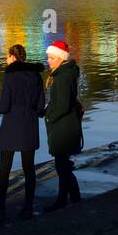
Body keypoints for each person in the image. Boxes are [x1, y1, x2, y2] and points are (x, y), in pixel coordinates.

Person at [0, 44, 46, 224]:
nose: (6, 60)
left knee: (4, 169)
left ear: (12, 57)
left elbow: (4, 106)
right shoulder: (36, 76)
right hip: (29, 125)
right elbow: (41, 107)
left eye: (7, 56)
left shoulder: (9, 77)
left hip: (10, 126)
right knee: (29, 169)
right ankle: (28, 208)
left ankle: (1, 209)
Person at [43, 40, 83, 211]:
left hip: (63, 127)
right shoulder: (63, 74)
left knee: (62, 166)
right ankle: (71, 198)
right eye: (48, 58)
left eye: (52, 58)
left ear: (60, 58)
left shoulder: (62, 77)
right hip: (65, 124)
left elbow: (63, 104)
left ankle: (69, 199)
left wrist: (49, 116)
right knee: (63, 164)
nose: (49, 61)